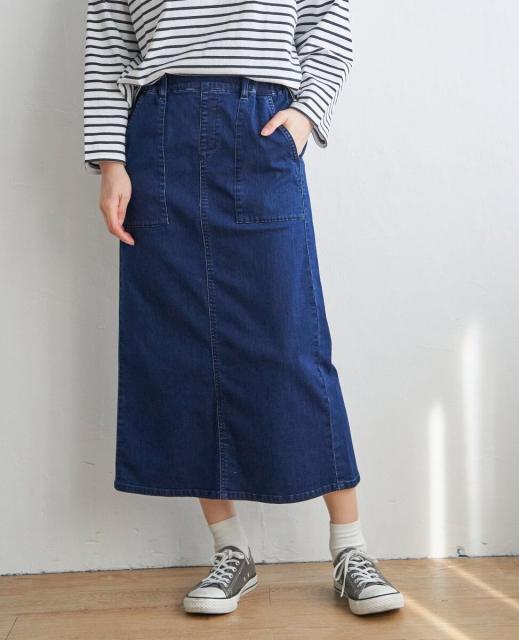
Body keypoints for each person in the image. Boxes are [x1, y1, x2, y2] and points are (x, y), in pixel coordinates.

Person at [84, 0, 403, 617]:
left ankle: (350, 548)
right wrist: (112, 161)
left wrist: (306, 114)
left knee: (293, 343)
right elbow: (108, 46)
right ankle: (231, 550)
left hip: (260, 126)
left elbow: (327, 22)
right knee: (181, 349)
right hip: (157, 136)